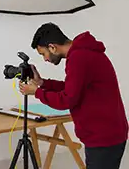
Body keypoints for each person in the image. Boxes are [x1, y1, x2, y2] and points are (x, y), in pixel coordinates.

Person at [18, 22, 128, 169]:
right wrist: (43, 83)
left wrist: (36, 92)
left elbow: (67, 99)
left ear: (52, 47)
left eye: (43, 54)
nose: (45, 59)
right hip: (107, 132)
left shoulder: (78, 57)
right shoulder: (83, 53)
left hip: (103, 136)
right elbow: (73, 88)